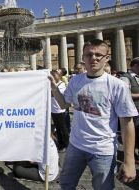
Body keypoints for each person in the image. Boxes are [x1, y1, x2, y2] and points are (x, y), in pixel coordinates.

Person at [50, 39, 137, 189]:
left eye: (98, 55)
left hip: (103, 149)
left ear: (106, 58)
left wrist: (129, 160)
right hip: (76, 145)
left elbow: (127, 124)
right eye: (89, 54)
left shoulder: (118, 85)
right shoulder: (75, 81)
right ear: (83, 58)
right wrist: (53, 87)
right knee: (66, 184)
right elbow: (64, 104)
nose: (93, 58)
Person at [119, 57, 139, 164]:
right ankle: (132, 154)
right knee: (133, 133)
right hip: (133, 110)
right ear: (135, 66)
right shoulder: (125, 78)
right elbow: (125, 94)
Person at [50, 70, 69, 152]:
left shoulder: (62, 84)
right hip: (53, 110)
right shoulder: (51, 85)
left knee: (63, 129)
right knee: (58, 129)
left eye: (54, 75)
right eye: (52, 76)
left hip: (60, 111)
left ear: (59, 76)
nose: (53, 77)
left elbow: (54, 94)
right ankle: (60, 143)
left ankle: (66, 144)